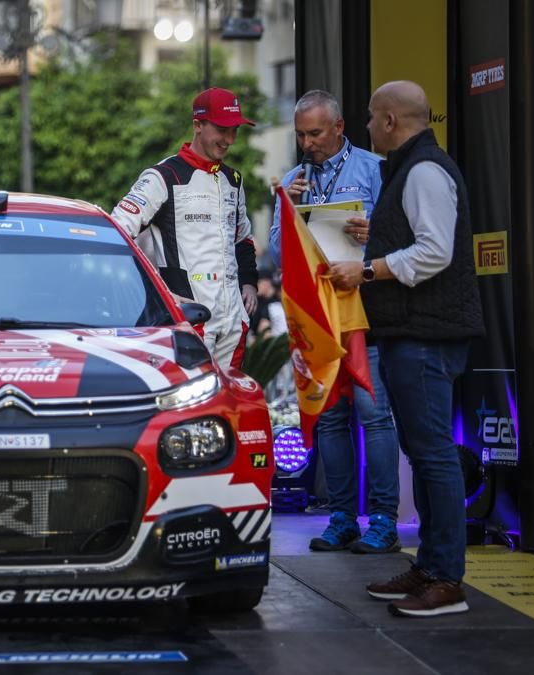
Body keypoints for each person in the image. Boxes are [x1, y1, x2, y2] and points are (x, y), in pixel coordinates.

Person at [329, 81, 484, 617]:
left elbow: (435, 251)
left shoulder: (423, 170)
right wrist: (377, 231)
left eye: (372, 118)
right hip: (413, 332)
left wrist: (367, 268)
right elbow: (421, 236)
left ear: (391, 120)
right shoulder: (415, 171)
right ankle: (430, 567)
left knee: (435, 456)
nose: (368, 127)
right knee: (425, 454)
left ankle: (446, 579)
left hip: (425, 334)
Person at [268, 90, 403, 554]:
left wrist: (374, 234)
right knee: (329, 421)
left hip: (364, 314)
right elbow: (274, 254)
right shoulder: (292, 178)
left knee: (374, 416)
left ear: (339, 127)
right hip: (317, 320)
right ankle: (342, 515)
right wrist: (288, 207)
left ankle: (383, 518)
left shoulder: (372, 169)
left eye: (316, 133)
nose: (307, 143)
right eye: (301, 135)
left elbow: (399, 237)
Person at [110, 87, 258, 368]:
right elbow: (116, 232)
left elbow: (243, 238)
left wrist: (249, 282)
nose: (229, 140)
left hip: (233, 320)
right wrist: (158, 291)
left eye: (234, 130)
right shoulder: (163, 176)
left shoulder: (234, 180)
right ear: (198, 125)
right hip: (188, 319)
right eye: (221, 129)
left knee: (227, 403)